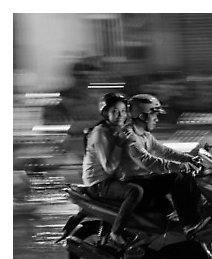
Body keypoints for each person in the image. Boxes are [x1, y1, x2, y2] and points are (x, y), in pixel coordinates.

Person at [117, 93, 205, 238]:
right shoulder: (129, 136)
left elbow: (164, 151)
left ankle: (192, 221)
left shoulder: (145, 135)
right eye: (154, 115)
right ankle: (190, 224)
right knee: (178, 177)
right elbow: (148, 161)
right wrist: (180, 166)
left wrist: (188, 159)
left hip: (145, 181)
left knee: (183, 186)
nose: (157, 119)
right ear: (142, 116)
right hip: (133, 184)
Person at [82, 92, 144, 247]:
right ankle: (116, 233)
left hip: (111, 179)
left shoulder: (118, 130)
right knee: (135, 191)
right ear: (105, 113)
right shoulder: (100, 133)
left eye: (123, 111)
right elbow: (109, 168)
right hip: (99, 183)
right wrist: (119, 143)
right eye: (114, 112)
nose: (120, 115)